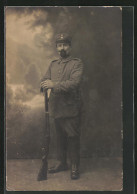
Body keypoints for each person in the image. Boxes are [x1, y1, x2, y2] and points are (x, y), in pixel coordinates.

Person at [40, 33, 83, 179]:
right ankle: (61, 162)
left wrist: (54, 85)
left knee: (72, 136)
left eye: (64, 45)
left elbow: (74, 83)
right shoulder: (53, 64)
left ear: (69, 47)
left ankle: (75, 165)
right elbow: (45, 78)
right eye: (59, 45)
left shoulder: (76, 63)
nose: (61, 48)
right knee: (60, 136)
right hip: (56, 107)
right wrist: (44, 84)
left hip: (70, 107)